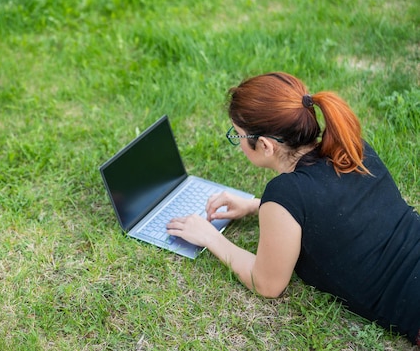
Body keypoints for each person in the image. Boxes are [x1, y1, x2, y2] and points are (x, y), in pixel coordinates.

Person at [166, 72, 420, 345]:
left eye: (237, 135)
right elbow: (331, 206)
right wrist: (256, 206)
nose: (237, 143)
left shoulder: (285, 193)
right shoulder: (351, 148)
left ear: (264, 145)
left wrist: (210, 236)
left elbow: (267, 284)